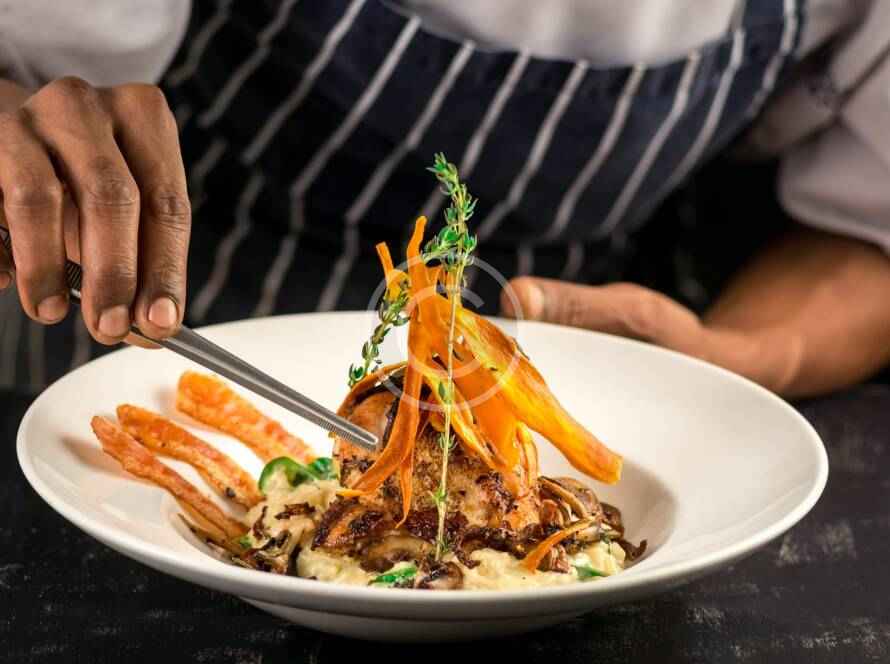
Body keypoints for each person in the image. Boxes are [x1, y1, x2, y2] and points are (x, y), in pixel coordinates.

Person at [0, 0, 888, 398]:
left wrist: (741, 360)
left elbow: (869, 226)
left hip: (589, 389)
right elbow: (38, 88)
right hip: (150, 338)